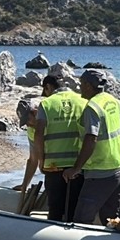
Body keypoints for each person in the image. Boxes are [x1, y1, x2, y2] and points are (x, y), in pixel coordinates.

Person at [62, 69, 120, 225]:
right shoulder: (113, 101)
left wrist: (76, 168)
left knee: (81, 219)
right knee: (110, 218)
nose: (79, 87)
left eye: (81, 84)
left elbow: (91, 138)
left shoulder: (92, 107)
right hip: (118, 167)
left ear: (89, 86)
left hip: (100, 171)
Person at [30, 75, 86, 221]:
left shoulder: (47, 104)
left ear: (48, 87)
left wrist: (41, 161)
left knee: (55, 208)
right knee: (74, 207)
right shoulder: (82, 101)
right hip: (78, 164)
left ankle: (53, 239)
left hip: (53, 164)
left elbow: (38, 134)